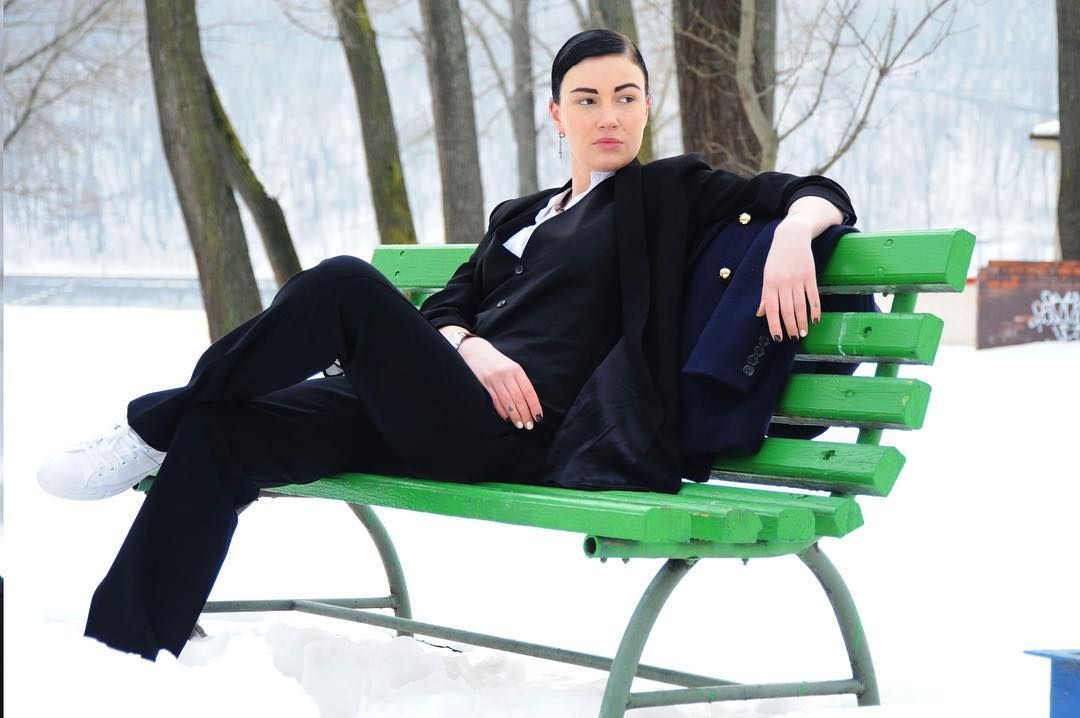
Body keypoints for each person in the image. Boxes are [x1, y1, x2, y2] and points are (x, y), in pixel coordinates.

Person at [36, 28, 855, 661]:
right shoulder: (518, 216)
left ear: (645, 106)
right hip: (432, 402)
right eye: (587, 99)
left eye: (626, 96)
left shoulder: (667, 193)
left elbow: (816, 194)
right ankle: (127, 646)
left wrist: (793, 235)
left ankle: (152, 423)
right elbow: (446, 309)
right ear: (557, 114)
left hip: (515, 429)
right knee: (224, 432)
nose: (609, 115)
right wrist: (472, 347)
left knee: (346, 285)